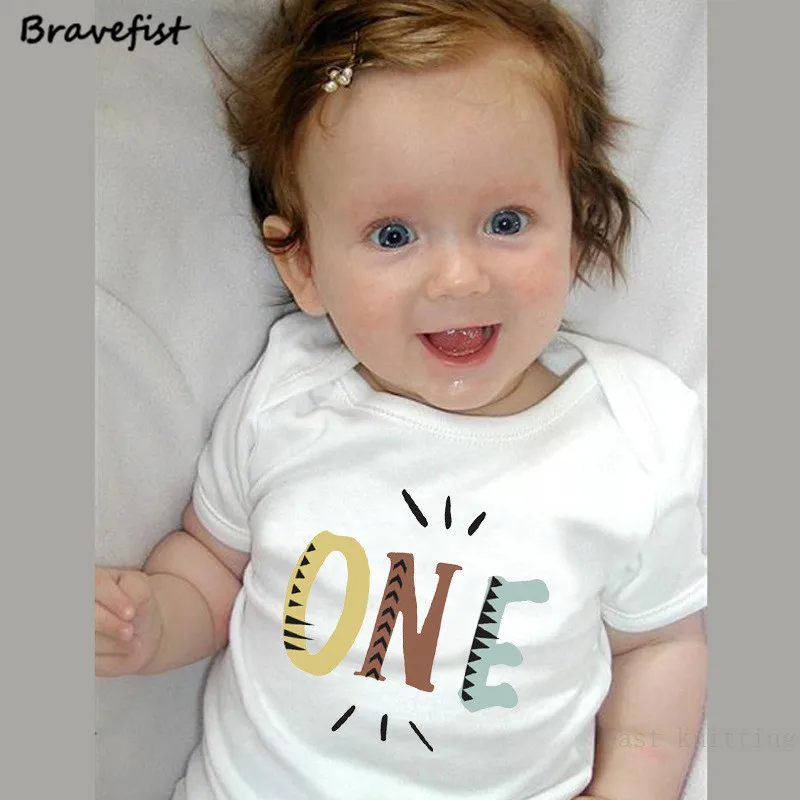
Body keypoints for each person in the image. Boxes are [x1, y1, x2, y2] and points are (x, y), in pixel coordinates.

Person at [94, 1, 707, 798]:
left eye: (506, 221)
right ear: (303, 267)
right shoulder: (290, 400)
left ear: (578, 229)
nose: (458, 278)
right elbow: (213, 568)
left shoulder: (630, 437)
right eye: (393, 235)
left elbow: (659, 645)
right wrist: (152, 621)